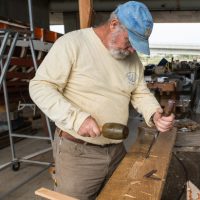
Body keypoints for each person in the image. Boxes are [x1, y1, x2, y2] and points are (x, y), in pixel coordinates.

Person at [29, 1, 175, 199]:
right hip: (79, 153)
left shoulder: (132, 59)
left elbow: (139, 92)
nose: (133, 50)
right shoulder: (73, 43)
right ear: (114, 24)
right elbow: (40, 86)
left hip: (116, 150)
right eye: (130, 41)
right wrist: (77, 119)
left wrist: (154, 113)